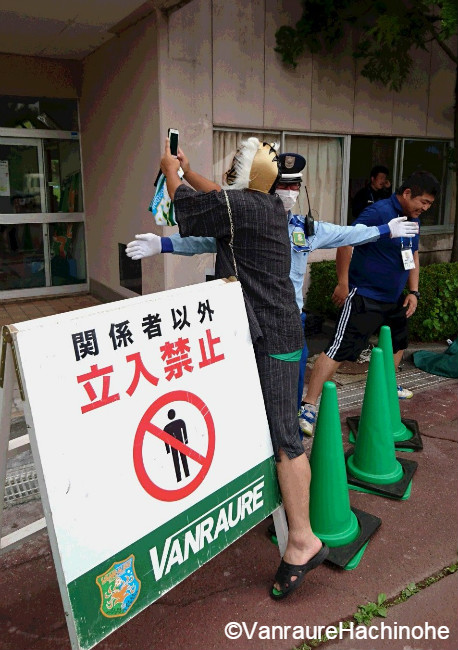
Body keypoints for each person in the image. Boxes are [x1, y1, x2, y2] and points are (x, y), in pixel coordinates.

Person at [127, 152, 419, 437]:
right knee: (245, 390)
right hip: (246, 321)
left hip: (288, 324)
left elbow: (345, 234)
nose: (289, 192)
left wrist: (384, 230)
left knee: (287, 396)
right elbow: (204, 239)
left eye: (295, 185)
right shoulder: (248, 220)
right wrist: (163, 245)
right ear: (268, 186)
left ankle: (289, 428)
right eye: (283, 185)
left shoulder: (304, 228)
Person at [157, 135, 327, 600]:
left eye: (236, 164)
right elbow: (219, 195)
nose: (229, 170)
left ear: (247, 174)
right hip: (274, 333)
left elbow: (189, 208)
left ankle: (302, 538)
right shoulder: (264, 204)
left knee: (286, 439)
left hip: (272, 338)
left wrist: (170, 170)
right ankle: (287, 520)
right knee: (278, 434)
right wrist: (187, 168)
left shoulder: (245, 207)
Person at [300, 170, 440, 436]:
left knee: (397, 342)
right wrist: (343, 283)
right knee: (339, 350)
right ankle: (308, 404)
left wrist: (414, 292)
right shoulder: (378, 211)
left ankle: (388, 385)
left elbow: (413, 255)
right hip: (365, 296)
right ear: (407, 193)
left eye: (430, 205)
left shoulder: (414, 220)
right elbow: (346, 243)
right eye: (423, 202)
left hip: (394, 298)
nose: (425, 208)